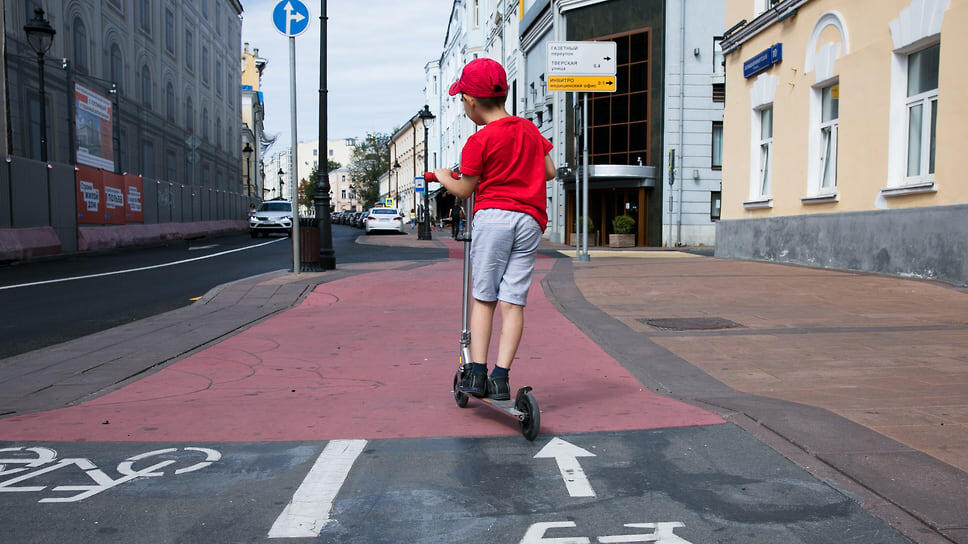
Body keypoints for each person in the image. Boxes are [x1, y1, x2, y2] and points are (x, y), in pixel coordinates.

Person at [434, 58, 556, 401]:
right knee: (514, 301)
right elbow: (549, 172)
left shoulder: (478, 141)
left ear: (471, 102)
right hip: (530, 220)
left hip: (495, 219)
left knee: (484, 297)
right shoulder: (530, 129)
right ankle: (501, 378)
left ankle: (477, 373)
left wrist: (444, 176)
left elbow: (464, 190)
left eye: (463, 101)